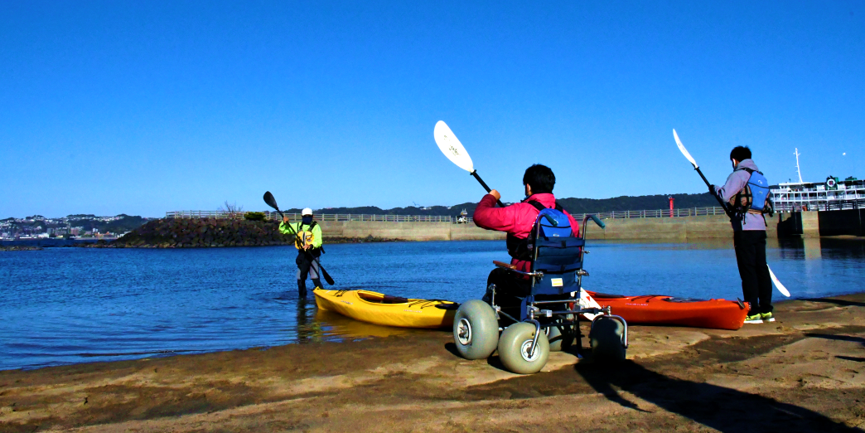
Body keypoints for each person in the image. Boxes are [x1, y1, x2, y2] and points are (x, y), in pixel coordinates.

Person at [473, 164, 580, 311]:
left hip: (530, 284)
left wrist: (491, 197)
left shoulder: (521, 212)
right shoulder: (569, 219)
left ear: (528, 187)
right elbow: (577, 253)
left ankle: (502, 320)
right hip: (564, 285)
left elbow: (480, 217)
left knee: (496, 276)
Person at [711, 146, 774, 324]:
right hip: (760, 227)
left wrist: (714, 188)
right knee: (761, 268)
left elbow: (724, 195)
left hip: (745, 229)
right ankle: (766, 310)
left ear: (734, 160)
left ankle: (752, 312)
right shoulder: (761, 177)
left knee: (748, 270)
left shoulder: (739, 174)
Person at [280, 207, 323, 297]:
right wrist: (283, 223)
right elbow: (284, 230)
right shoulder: (297, 226)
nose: (307, 218)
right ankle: (302, 297)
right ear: (302, 217)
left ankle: (322, 296)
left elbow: (318, 241)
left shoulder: (315, 227)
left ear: (312, 216)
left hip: (313, 255)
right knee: (300, 278)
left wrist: (310, 245)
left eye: (309, 216)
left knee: (314, 277)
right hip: (303, 255)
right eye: (305, 216)